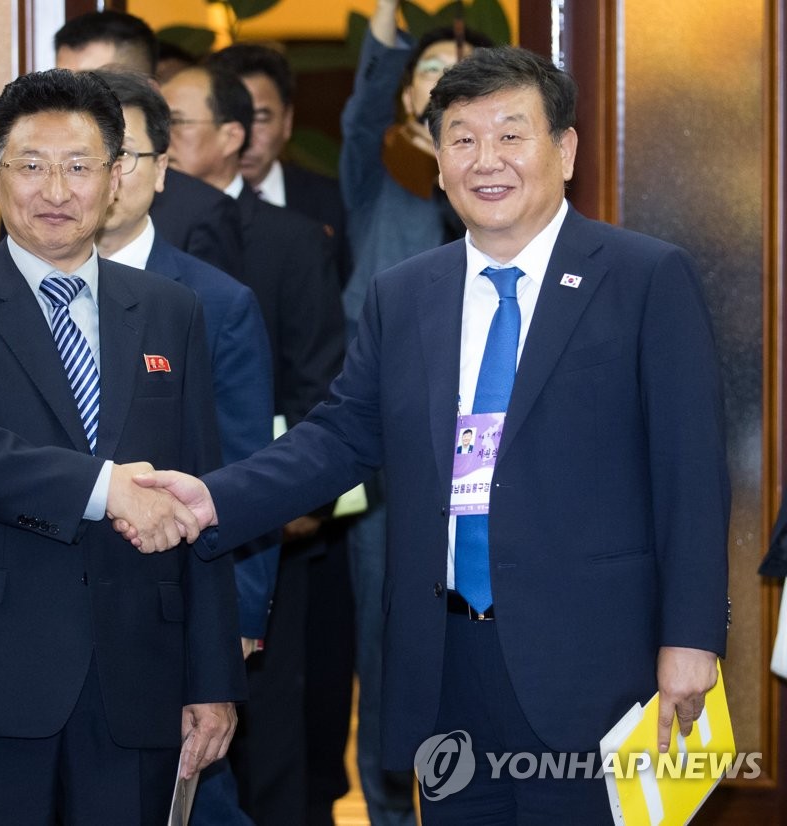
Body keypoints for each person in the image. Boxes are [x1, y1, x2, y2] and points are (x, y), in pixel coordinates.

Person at [121, 46, 731, 825]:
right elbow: (339, 436)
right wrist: (212, 498)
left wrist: (691, 638)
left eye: (511, 135)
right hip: (445, 664)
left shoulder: (643, 278)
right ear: (438, 161)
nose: (486, 160)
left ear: (565, 150)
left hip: (594, 664)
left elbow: (690, 473)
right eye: (462, 139)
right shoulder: (407, 293)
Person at [0, 68, 244, 824]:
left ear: (115, 178)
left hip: (136, 681)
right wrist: (106, 488)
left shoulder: (172, 311)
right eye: (31, 165)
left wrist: (212, 679)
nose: (55, 190)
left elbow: (201, 495)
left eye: (79, 166)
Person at [160, 63, 346, 826]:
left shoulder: (291, 239)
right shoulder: (131, 239)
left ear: (232, 135)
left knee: (268, 727)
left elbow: (319, 387)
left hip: (268, 528)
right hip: (162, 520)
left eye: (176, 124)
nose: (162, 140)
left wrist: (288, 500)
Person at [93, 67, 278, 825]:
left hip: (172, 609)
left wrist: (235, 630)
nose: (105, 175)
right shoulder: (13, 294)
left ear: (163, 168)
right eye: (85, 155)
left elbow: (246, 475)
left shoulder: (217, 303)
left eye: (124, 154)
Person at [338, 5, 492, 822]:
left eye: (461, 74)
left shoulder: (499, 199)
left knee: (484, 639)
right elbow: (360, 120)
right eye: (429, 73)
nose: (444, 83)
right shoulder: (376, 188)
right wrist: (386, 23)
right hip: (388, 468)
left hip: (489, 459)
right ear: (407, 98)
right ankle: (391, 809)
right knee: (384, 644)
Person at [54, 10, 244, 281]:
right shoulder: (37, 201)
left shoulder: (203, 214)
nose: (73, 102)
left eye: (96, 84)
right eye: (64, 87)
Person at [206, 43, 350, 287]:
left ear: (287, 121)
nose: (246, 137)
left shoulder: (331, 203)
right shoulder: (185, 204)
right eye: (232, 118)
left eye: (261, 118)